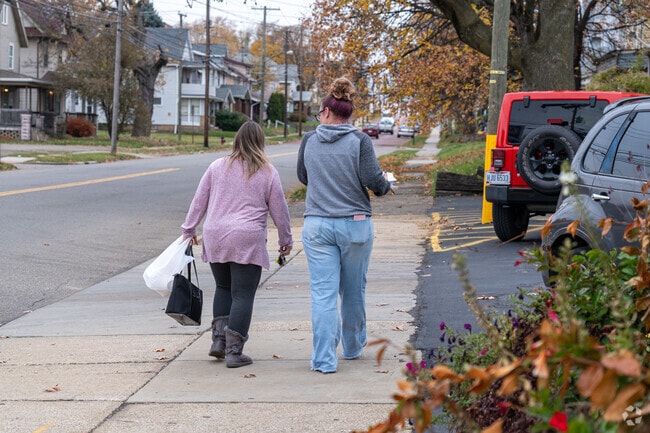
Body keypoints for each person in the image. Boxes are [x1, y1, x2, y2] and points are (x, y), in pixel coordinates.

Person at [296, 77, 393, 374]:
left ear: (326, 111)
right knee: (352, 290)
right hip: (355, 225)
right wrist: (387, 185)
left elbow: (303, 176)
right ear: (348, 114)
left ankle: (324, 359)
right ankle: (352, 347)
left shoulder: (309, 141)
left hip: (317, 226)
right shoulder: (360, 141)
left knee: (323, 294)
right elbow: (373, 181)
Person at [181, 120, 293, 368]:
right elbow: (280, 210)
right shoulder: (267, 172)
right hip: (247, 236)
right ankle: (234, 351)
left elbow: (199, 200)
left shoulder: (217, 166)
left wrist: (189, 229)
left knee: (223, 287)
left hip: (216, 234)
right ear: (260, 142)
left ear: (237, 141)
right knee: (242, 294)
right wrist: (285, 240)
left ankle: (219, 341)